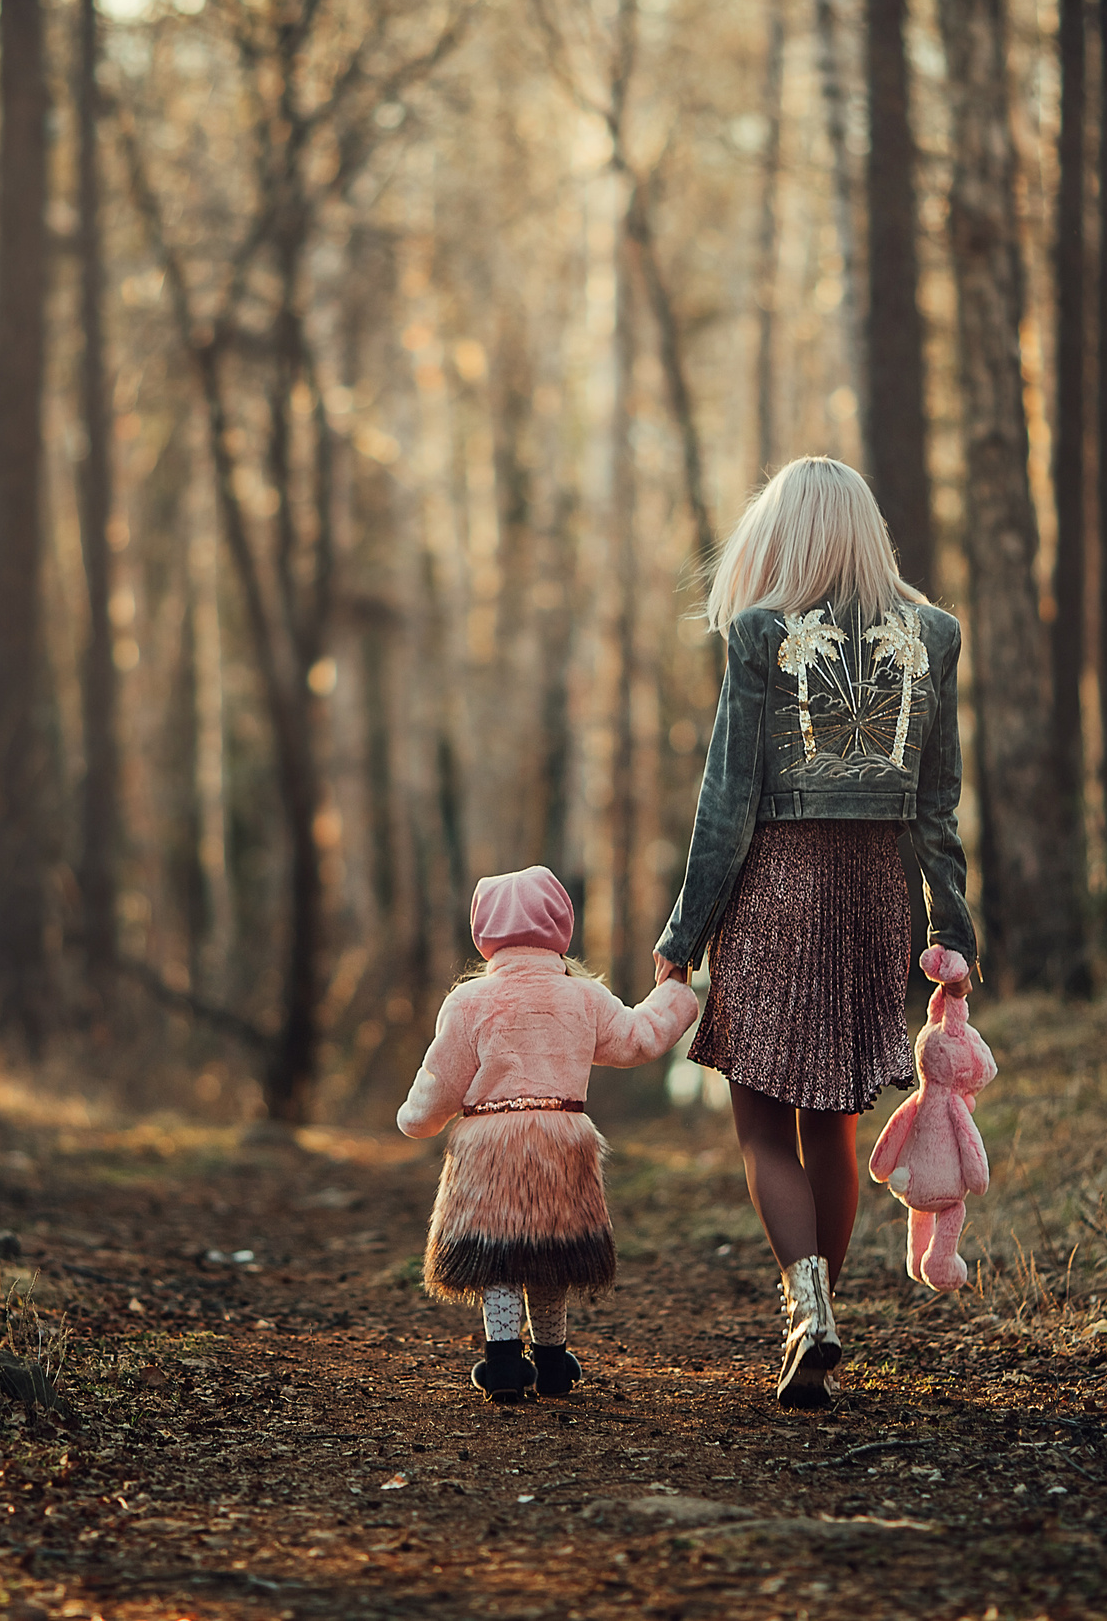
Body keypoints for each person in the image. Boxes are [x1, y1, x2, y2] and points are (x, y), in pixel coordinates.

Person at [653, 456, 979, 1410]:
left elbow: (728, 807)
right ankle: (821, 1313)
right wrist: (951, 932)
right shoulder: (935, 637)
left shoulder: (760, 637)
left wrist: (684, 933)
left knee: (760, 1122)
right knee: (830, 1123)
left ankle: (810, 1312)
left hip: (778, 889)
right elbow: (937, 807)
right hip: (877, 893)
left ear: (783, 537)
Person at [398, 866, 699, 1403]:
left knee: (501, 1256)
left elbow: (440, 1079)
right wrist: (674, 994)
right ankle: (555, 1362)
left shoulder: (467, 1004)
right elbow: (639, 1037)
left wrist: (416, 1117)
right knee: (552, 1251)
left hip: (489, 1148)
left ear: (483, 932)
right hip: (563, 1141)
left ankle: (504, 1364)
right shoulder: (582, 997)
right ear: (560, 924)